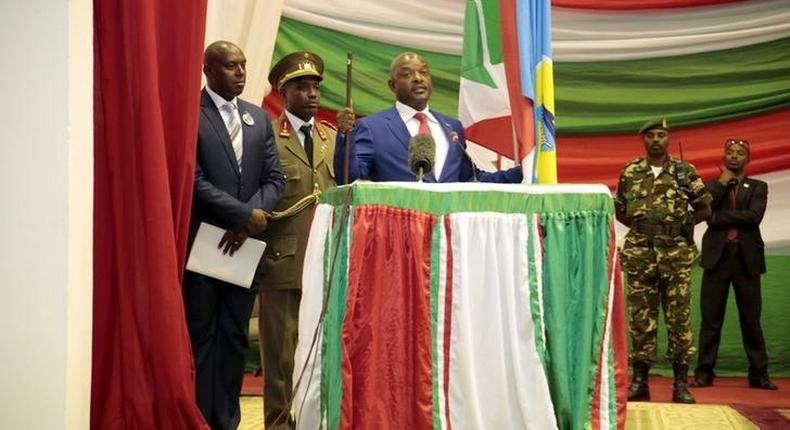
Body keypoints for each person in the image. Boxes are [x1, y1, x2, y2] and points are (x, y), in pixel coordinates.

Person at [184, 40, 285, 430]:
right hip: (205, 246)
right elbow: (192, 179)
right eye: (231, 66)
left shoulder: (257, 118)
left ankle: (227, 421)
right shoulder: (191, 112)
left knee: (235, 339)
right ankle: (199, 418)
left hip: (245, 247)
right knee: (202, 338)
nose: (241, 73)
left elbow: (274, 178)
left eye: (243, 66)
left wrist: (252, 221)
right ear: (209, 70)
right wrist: (244, 214)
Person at [256, 51, 337, 430]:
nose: (311, 94)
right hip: (282, 259)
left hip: (326, 262)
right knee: (280, 356)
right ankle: (277, 424)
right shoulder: (267, 136)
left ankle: (315, 419)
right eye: (301, 87)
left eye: (315, 87)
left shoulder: (332, 138)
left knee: (323, 349)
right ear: (282, 93)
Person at [614, 118, 712, 404]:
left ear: (668, 138)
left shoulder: (684, 171)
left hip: (675, 254)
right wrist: (644, 226)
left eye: (661, 135)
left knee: (678, 319)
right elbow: (620, 209)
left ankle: (681, 384)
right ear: (643, 140)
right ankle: (640, 381)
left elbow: (705, 207)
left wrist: (684, 223)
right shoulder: (631, 171)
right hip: (641, 253)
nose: (656, 140)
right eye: (650, 136)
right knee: (641, 319)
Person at [334, 51, 522, 184]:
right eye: (407, 74)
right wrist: (344, 136)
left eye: (423, 72)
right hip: (400, 231)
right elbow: (349, 179)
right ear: (392, 85)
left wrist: (523, 172)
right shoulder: (372, 128)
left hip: (447, 233)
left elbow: (471, 180)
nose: (418, 78)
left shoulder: (453, 128)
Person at [690, 139, 777, 390]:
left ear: (747, 159)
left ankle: (759, 375)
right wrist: (720, 185)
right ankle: (704, 373)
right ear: (724, 157)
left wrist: (718, 218)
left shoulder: (758, 186)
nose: (734, 157)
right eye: (730, 153)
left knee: (751, 320)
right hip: (717, 259)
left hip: (746, 259)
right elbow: (705, 212)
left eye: (740, 153)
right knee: (711, 320)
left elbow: (753, 217)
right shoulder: (712, 186)